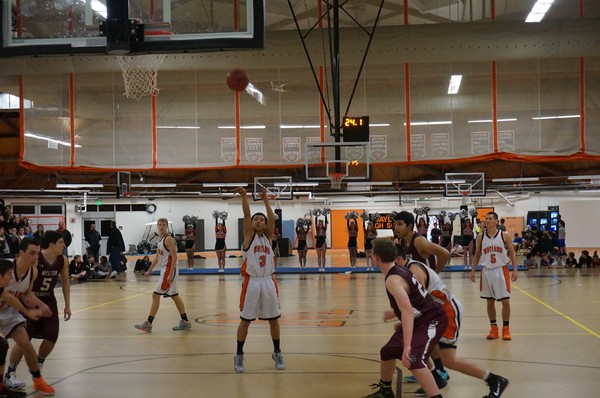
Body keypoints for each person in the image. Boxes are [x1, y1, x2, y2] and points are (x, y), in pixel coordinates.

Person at [396, 245, 510, 398]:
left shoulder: (414, 271)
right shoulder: (408, 268)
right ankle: (435, 377)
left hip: (447, 311)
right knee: (420, 342)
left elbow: (421, 303)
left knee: (448, 360)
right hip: (436, 311)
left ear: (397, 259)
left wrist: (407, 318)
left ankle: (494, 380)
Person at [361, 238, 447, 398]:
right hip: (421, 317)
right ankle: (385, 391)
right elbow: (413, 300)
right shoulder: (399, 269)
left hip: (432, 319)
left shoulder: (393, 280)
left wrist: (407, 346)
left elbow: (407, 311)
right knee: (388, 351)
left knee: (413, 360)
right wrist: (395, 313)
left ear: (376, 257)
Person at [5, 231, 72, 392]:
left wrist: (64, 305)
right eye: (61, 242)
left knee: (47, 337)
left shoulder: (59, 261)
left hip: (45, 301)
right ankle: (10, 374)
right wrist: (28, 308)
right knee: (20, 342)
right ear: (52, 244)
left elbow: (64, 282)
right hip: (25, 305)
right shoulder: (24, 263)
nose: (64, 245)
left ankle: (37, 370)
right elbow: (18, 292)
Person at [233, 187, 285, 374]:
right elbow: (246, 215)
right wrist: (245, 196)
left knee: (274, 320)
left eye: (261, 220)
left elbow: (272, 219)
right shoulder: (249, 237)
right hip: (252, 282)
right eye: (256, 219)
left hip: (268, 282)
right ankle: (239, 355)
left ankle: (277, 352)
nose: (258, 221)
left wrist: (266, 200)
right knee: (245, 320)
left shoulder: (268, 238)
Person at [394, 211, 450, 381]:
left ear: (409, 226)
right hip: (418, 294)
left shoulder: (419, 241)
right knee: (421, 333)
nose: (396, 227)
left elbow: (445, 254)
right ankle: (430, 369)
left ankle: (439, 371)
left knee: (424, 332)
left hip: (429, 295)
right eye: (395, 224)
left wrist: (435, 273)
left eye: (400, 224)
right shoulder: (402, 242)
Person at [0, 238, 54, 395]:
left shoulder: (33, 272)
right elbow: (7, 296)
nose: (35, 257)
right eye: (32, 253)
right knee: (1, 346)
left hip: (10, 312)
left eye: (37, 254)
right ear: (21, 253)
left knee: (27, 345)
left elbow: (26, 293)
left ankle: (38, 381)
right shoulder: (5, 268)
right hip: (10, 307)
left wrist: (41, 305)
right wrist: (27, 311)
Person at [134, 218, 192, 333]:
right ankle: (185, 322)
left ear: (166, 227)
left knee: (156, 295)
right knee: (175, 295)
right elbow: (157, 257)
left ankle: (149, 323)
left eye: (163, 225)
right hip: (164, 269)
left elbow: (175, 257)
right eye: (159, 224)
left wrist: (170, 274)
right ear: (157, 226)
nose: (161, 226)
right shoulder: (159, 240)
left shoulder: (168, 239)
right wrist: (149, 270)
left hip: (169, 269)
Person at [470, 212, 518, 341]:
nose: (487, 220)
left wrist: (515, 269)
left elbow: (512, 253)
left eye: (490, 219)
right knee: (489, 301)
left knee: (505, 301)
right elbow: (477, 254)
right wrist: (473, 270)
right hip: (486, 271)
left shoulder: (504, 235)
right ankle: (494, 328)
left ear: (497, 221)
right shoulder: (480, 236)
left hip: (501, 270)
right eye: (486, 219)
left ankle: (506, 328)